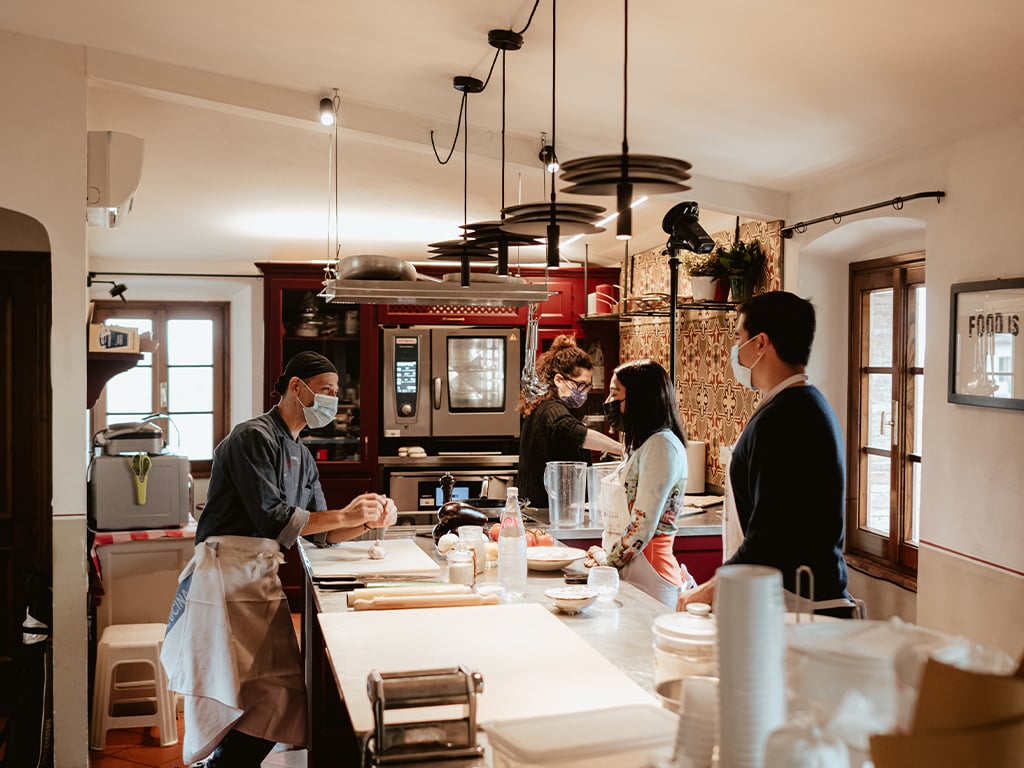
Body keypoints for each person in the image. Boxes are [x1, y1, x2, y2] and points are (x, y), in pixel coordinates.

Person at [161, 351, 397, 767]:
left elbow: (322, 532)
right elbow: (272, 519)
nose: (332, 401)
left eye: (335, 394)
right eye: (325, 391)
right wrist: (343, 514)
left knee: (274, 696)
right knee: (245, 694)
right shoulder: (254, 437)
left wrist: (365, 520)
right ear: (296, 387)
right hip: (225, 579)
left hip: (257, 579)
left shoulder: (303, 456)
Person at [678, 291, 854, 616]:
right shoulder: (796, 404)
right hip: (782, 598)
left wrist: (707, 590)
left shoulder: (789, 417)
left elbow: (770, 539)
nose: (736, 351)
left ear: (761, 343)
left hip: (799, 608)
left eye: (739, 339)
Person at [586, 359, 696, 607]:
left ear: (639, 399)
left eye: (615, 395)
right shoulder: (644, 444)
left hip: (651, 573)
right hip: (632, 569)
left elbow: (642, 525)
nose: (609, 403)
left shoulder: (662, 447)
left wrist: (608, 560)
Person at [517, 335, 622, 509]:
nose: (584, 393)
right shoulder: (551, 409)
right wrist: (622, 449)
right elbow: (571, 431)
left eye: (587, 386)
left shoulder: (543, 405)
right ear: (559, 380)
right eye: (580, 385)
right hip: (547, 512)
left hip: (541, 509)